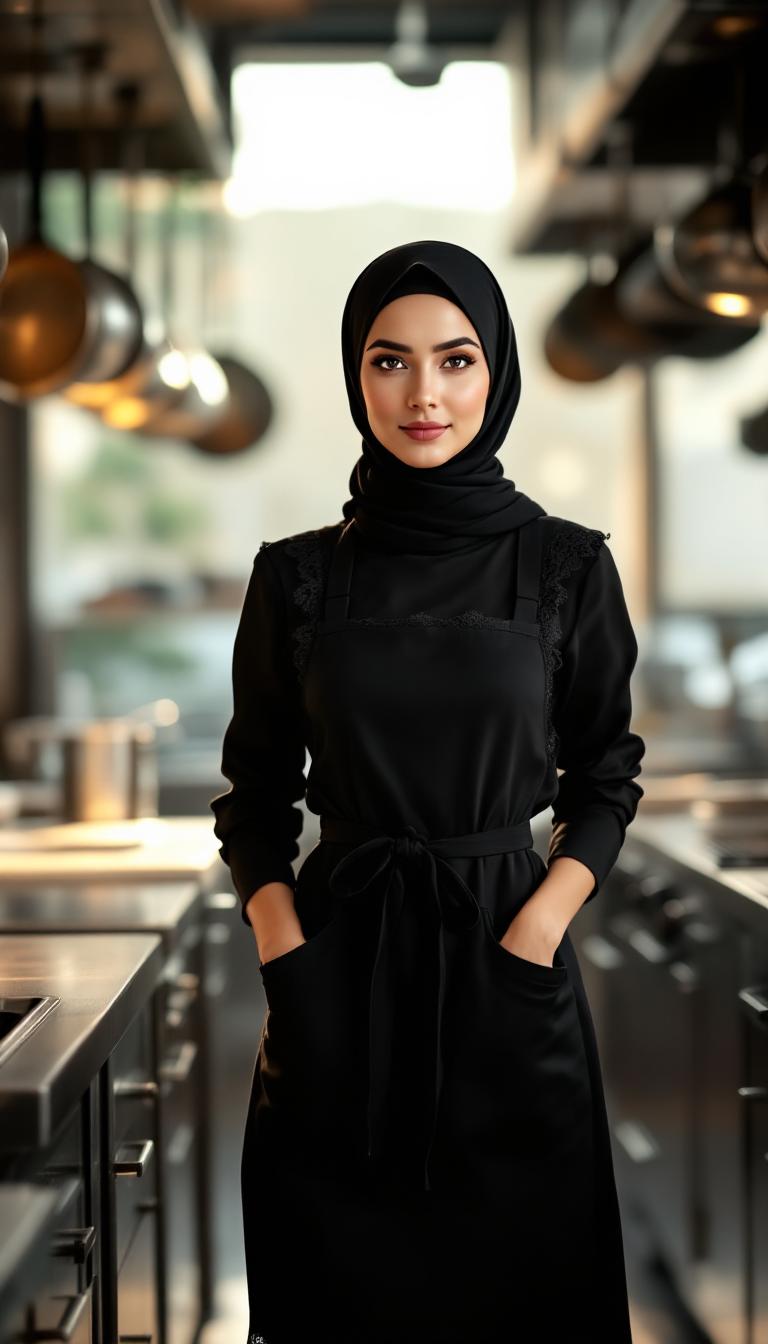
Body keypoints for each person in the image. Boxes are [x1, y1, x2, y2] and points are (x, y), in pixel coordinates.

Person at [209, 239, 645, 1344]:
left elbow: (605, 776)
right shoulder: (296, 575)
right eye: (389, 361)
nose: (423, 395)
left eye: (454, 360)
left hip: (508, 964)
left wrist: (537, 931)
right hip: (336, 977)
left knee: (526, 1301)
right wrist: (285, 946)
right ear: (356, 379)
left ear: (495, 371)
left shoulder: (567, 566)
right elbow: (253, 796)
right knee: (338, 1303)